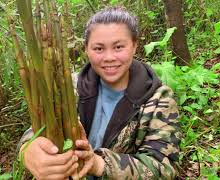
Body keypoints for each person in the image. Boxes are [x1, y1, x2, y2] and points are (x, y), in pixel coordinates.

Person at [18, 7, 181, 180]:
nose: (109, 57)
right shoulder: (69, 87)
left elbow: (164, 168)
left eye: (118, 47)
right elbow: (36, 131)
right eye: (99, 48)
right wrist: (27, 151)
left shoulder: (158, 99)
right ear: (86, 49)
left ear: (134, 46)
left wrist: (98, 164)